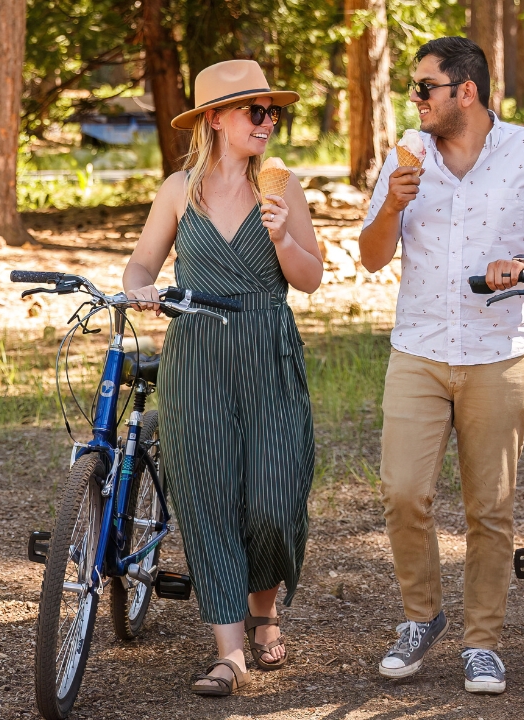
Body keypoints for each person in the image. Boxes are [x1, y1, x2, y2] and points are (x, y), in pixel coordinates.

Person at [358, 37, 524, 695]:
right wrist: (395, 203)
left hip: (499, 352)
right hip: (420, 351)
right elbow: (372, 256)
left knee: (491, 509)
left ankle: (482, 642)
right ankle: (420, 619)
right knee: (404, 493)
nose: (415, 98)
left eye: (425, 87)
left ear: (466, 91)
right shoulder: (406, 153)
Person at [122, 59, 323, 697]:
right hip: (197, 354)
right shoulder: (179, 190)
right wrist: (143, 292)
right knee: (205, 495)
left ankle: (265, 610)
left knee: (270, 497)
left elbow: (311, 276)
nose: (267, 122)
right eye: (253, 111)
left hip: (267, 346)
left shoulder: (283, 187)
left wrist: (285, 237)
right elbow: (138, 268)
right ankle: (229, 650)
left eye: (272, 112)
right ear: (216, 120)